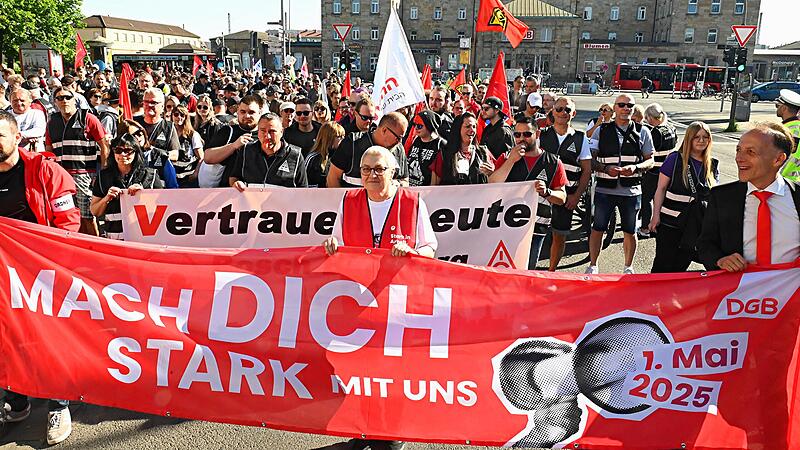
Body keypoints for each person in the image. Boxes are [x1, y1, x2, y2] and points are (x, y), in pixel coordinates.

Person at [0, 111, 78, 445]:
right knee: (8, 339)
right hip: (3, 276)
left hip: (41, 272)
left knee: (48, 339)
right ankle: (18, 400)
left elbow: (69, 221)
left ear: (17, 137)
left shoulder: (45, 171)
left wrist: (47, 260)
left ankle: (59, 404)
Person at [698, 123, 800, 272]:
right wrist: (720, 260)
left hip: (790, 293)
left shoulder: (796, 197)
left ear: (778, 159)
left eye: (750, 152)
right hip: (738, 292)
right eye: (738, 150)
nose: (739, 158)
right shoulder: (721, 197)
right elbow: (705, 244)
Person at [323, 145, 437, 258]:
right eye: (366, 169)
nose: (372, 175)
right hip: (358, 274)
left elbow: (429, 248)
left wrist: (412, 253)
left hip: (397, 275)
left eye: (379, 169)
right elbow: (337, 244)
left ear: (392, 173)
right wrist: (331, 244)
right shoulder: (348, 200)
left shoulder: (413, 202)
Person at [586, 94, 654, 274]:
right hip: (604, 188)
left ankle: (628, 267)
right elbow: (590, 158)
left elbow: (650, 160)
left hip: (631, 190)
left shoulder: (643, 131)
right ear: (614, 108)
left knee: (630, 231)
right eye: (621, 105)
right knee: (598, 228)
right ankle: (593, 265)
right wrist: (604, 168)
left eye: (629, 106)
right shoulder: (602, 130)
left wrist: (636, 167)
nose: (626, 108)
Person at [490, 116, 568, 267]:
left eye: (527, 134)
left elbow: (562, 197)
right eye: (517, 135)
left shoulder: (553, 162)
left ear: (537, 134)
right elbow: (492, 184)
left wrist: (547, 192)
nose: (521, 139)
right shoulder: (507, 157)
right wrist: (511, 160)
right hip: (505, 226)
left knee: (527, 270)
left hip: (535, 229)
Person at [649, 122, 719, 272]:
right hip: (670, 222)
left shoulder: (712, 164)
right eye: (696, 137)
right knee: (663, 265)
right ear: (689, 139)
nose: (701, 141)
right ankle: (652, 294)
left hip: (695, 226)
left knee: (681, 266)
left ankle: (673, 295)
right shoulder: (674, 159)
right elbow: (660, 189)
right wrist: (655, 216)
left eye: (705, 137)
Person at [45, 86, 109, 236]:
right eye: (60, 98)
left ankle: (95, 247)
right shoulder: (52, 123)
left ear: (75, 100)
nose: (64, 100)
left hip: (84, 174)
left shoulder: (88, 118)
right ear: (55, 102)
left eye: (67, 97)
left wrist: (103, 173)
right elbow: (49, 151)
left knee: (87, 216)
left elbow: (104, 145)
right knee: (67, 216)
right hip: (61, 176)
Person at [541, 97, 593, 271]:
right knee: (533, 234)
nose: (563, 113)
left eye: (567, 110)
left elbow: (586, 170)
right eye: (559, 109)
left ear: (573, 113)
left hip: (566, 196)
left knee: (559, 236)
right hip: (540, 195)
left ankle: (551, 271)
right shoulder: (542, 135)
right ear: (553, 112)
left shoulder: (580, 138)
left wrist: (576, 196)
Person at [90, 133, 164, 239]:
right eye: (118, 151)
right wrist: (106, 198)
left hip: (144, 238)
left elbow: (164, 208)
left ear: (136, 152)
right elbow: (95, 211)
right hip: (114, 239)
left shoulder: (150, 175)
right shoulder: (103, 177)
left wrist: (144, 195)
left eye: (128, 151)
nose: (123, 155)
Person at [327, 111, 409, 188]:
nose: (399, 142)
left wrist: (397, 184)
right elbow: (333, 177)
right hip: (353, 201)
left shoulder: (399, 148)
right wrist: (341, 201)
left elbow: (405, 180)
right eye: (398, 138)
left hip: (387, 203)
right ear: (384, 130)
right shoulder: (352, 143)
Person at [229, 113, 308, 189]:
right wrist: (235, 184)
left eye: (272, 131)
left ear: (281, 132)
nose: (267, 136)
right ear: (258, 131)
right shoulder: (246, 150)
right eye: (263, 130)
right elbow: (234, 177)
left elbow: (303, 190)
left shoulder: (295, 155)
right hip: (252, 202)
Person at [201, 95, 263, 187]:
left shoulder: (265, 134)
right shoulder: (228, 131)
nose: (246, 116)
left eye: (251, 112)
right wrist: (233, 146)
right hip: (225, 192)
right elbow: (208, 157)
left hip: (255, 191)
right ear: (237, 112)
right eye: (243, 112)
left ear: (260, 113)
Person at [638, 103, 678, 237]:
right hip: (669, 170)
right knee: (660, 199)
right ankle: (657, 225)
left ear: (650, 117)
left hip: (654, 171)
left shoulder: (653, 132)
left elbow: (646, 150)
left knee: (646, 199)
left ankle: (645, 228)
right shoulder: (671, 128)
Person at [430, 112, 494, 185]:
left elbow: (494, 181)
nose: (472, 130)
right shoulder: (444, 154)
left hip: (476, 195)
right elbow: (433, 185)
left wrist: (491, 173)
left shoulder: (483, 152)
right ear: (458, 129)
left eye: (474, 126)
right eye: (467, 126)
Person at [118, 119, 178, 189]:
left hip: (159, 197)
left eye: (139, 133)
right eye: (133, 136)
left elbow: (173, 186)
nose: (137, 137)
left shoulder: (160, 156)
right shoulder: (121, 158)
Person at [135, 88, 180, 163]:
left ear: (162, 106)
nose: (149, 105)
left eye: (153, 102)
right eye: (146, 101)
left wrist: (154, 152)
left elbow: (175, 155)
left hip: (157, 171)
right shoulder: (134, 123)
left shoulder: (169, 127)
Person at [407, 110, 447, 186]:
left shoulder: (441, 144)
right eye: (414, 125)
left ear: (429, 125)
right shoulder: (415, 140)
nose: (416, 128)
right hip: (411, 190)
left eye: (419, 126)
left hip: (428, 192)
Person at [171, 105, 203, 187]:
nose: (179, 117)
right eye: (176, 114)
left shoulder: (193, 135)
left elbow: (201, 157)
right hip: (172, 175)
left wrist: (196, 173)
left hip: (188, 176)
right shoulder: (168, 133)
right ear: (172, 116)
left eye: (182, 115)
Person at [305, 121, 344, 187]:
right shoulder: (312, 158)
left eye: (343, 136)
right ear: (328, 138)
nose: (342, 139)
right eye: (339, 136)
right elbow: (304, 182)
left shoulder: (340, 157)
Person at [9, 87, 46, 152]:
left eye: (22, 100)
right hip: (12, 153)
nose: (19, 103)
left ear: (30, 101)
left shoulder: (37, 113)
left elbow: (39, 131)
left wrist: (18, 136)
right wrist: (26, 136)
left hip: (33, 154)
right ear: (10, 102)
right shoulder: (5, 115)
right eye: (15, 100)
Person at [775, 89, 800, 181]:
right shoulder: (796, 127)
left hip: (785, 182)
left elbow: (787, 159)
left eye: (777, 105)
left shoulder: (786, 131)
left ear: (784, 108)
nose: (777, 108)